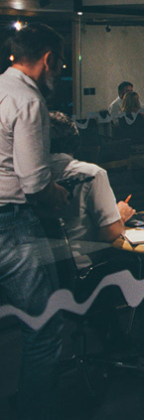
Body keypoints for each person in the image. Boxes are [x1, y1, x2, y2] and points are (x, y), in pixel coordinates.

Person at [0, 23, 70, 419]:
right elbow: (34, 180)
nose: (57, 72)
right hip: (12, 224)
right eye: (57, 64)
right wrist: (57, 194)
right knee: (43, 324)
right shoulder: (27, 100)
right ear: (47, 60)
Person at [48, 111, 136, 269]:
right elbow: (109, 232)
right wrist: (120, 215)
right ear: (75, 141)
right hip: (83, 267)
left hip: (39, 272)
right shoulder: (90, 174)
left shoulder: (23, 177)